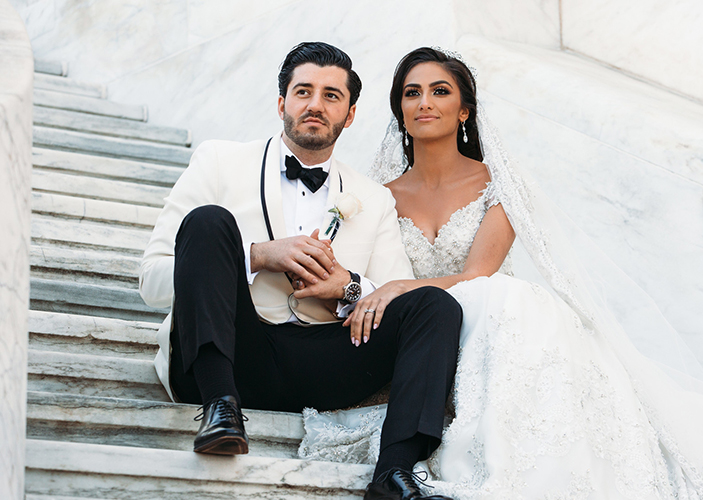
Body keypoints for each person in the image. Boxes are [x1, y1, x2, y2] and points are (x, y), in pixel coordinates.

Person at [298, 47, 703, 499]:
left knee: (510, 299)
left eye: (440, 91)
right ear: (400, 109)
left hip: (487, 326)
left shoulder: (499, 185)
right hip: (419, 335)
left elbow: (479, 274)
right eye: (412, 93)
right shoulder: (377, 196)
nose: (424, 103)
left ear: (464, 111)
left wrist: (401, 287)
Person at [139, 42, 463, 500]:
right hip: (231, 354)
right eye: (303, 92)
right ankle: (219, 410)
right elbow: (152, 280)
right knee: (208, 222)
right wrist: (257, 255)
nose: (315, 105)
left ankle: (394, 471)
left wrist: (347, 287)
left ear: (349, 114)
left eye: (332, 96)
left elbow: (397, 291)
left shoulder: (373, 197)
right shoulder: (218, 161)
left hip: (322, 362)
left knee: (434, 304)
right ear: (281, 104)